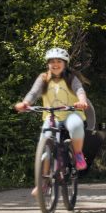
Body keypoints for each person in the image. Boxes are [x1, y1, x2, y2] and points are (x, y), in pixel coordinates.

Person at [14, 47, 91, 193]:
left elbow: (80, 90)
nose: (55, 64)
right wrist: (25, 103)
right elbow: (33, 93)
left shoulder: (71, 77)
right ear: (48, 64)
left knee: (75, 126)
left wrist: (82, 101)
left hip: (71, 113)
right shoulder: (43, 78)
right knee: (45, 145)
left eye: (59, 61)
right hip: (52, 116)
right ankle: (44, 182)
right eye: (52, 62)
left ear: (65, 63)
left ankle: (78, 154)